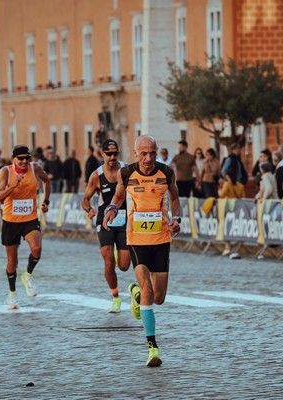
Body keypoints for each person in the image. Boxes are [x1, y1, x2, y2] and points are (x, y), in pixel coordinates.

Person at [103, 135, 181, 368]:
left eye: (152, 153)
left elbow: (175, 198)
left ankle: (135, 293)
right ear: (136, 153)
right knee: (148, 290)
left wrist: (176, 218)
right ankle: (152, 348)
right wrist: (112, 208)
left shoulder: (166, 172)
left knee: (158, 298)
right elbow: (118, 195)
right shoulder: (126, 173)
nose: (148, 158)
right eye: (144, 154)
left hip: (161, 239)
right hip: (136, 239)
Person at [0, 145, 51, 309]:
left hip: (30, 218)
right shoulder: (6, 171)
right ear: (14, 160)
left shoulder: (36, 168)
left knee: (37, 248)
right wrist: (12, 186)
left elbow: (47, 181)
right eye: (21, 158)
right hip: (10, 220)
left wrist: (46, 201)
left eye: (28, 158)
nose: (25, 161)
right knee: (12, 260)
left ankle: (28, 275)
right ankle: (12, 294)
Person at [81, 139, 131, 313]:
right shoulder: (96, 175)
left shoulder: (127, 170)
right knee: (109, 262)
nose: (112, 157)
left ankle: (120, 253)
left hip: (124, 218)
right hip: (105, 220)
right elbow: (85, 199)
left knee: (124, 266)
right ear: (102, 154)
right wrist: (90, 210)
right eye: (108, 154)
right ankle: (116, 298)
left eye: (115, 153)